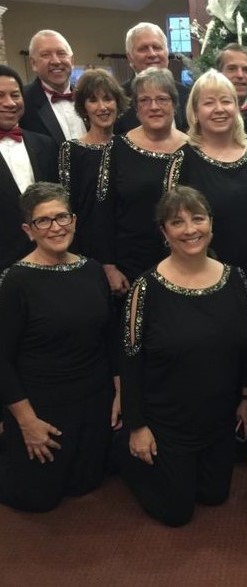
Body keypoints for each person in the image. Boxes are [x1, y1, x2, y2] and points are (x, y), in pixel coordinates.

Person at [116, 186, 247, 527]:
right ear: (164, 231)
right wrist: (137, 427)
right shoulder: (145, 288)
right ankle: (123, 454)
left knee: (214, 496)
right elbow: (130, 359)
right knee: (177, 513)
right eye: (177, 222)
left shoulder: (236, 279)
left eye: (198, 218)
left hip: (218, 419)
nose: (190, 229)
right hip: (167, 422)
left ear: (211, 223)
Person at [0, 182, 116, 512]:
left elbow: (109, 340)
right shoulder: (16, 281)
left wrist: (120, 394)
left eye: (62, 217)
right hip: (42, 404)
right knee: (38, 500)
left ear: (75, 220)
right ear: (28, 230)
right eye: (44, 221)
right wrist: (26, 423)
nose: (56, 227)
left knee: (86, 484)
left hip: (93, 399)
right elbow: (2, 359)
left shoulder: (92, 270)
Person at [178, 69, 247, 290]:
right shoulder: (182, 162)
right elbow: (172, 228)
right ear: (195, 111)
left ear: (237, 107)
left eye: (226, 101)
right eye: (209, 103)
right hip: (208, 284)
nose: (219, 109)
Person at [94, 67, 189, 296]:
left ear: (174, 105)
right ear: (136, 109)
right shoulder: (117, 148)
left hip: (186, 259)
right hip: (131, 267)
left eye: (162, 99)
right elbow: (103, 212)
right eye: (145, 100)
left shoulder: (192, 148)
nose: (154, 106)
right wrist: (108, 266)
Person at [59, 69, 128, 257]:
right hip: (84, 250)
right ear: (83, 108)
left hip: (126, 248)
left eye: (108, 99)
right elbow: (67, 207)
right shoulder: (71, 150)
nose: (102, 107)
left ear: (117, 103)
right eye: (93, 100)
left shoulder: (128, 148)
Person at [0, 64, 58, 273]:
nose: (9, 103)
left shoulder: (46, 144)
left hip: (49, 257)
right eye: (0, 96)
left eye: (15, 95)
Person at [115, 22, 190, 134]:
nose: (152, 54)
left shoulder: (187, 95)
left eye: (157, 47)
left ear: (167, 52)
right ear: (130, 57)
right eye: (143, 49)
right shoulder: (117, 98)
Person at [20, 30, 86, 144]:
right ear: (33, 64)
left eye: (61, 53)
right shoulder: (22, 101)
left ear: (72, 60)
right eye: (45, 55)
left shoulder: (88, 96)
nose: (55, 61)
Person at [215, 43, 247, 111]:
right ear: (219, 74)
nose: (240, 75)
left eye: (246, 69)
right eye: (232, 69)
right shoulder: (204, 117)